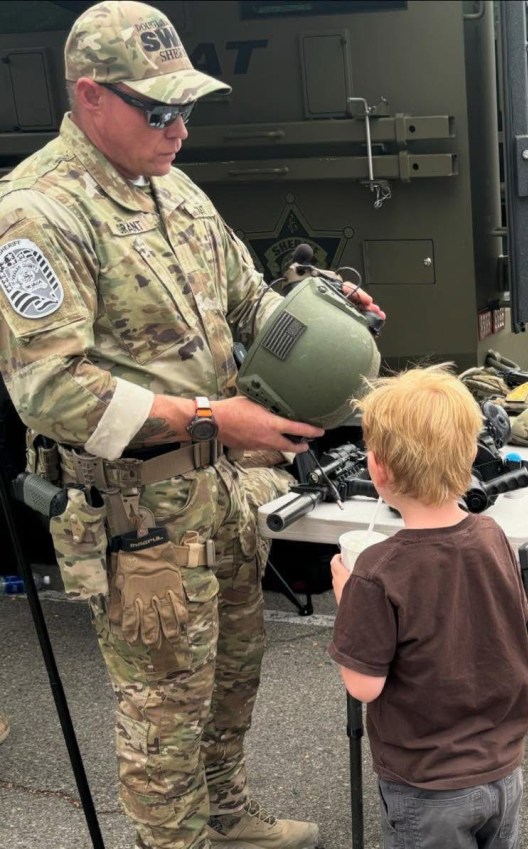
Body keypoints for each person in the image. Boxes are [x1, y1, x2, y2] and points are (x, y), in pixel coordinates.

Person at [0, 2, 383, 848]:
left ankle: (227, 816)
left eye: (186, 107)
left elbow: (249, 302)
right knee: (163, 719)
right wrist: (217, 417)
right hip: (139, 518)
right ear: (91, 96)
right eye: (159, 109)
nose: (180, 128)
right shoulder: (37, 211)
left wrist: (320, 316)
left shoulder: (171, 187)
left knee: (232, 679)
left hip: (220, 492)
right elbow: (52, 390)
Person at [328, 365, 528, 849]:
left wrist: (348, 600)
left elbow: (363, 685)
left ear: (378, 469)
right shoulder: (493, 536)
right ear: (471, 456)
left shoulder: (378, 571)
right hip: (503, 771)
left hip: (428, 787)